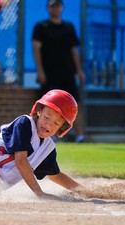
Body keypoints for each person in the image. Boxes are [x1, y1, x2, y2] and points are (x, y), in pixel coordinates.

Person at [32, 0, 86, 143]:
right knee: (48, 106)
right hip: (50, 74)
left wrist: (79, 70)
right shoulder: (41, 27)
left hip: (68, 73)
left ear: (61, 7)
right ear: (48, 8)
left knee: (76, 103)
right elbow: (36, 49)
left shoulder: (68, 27)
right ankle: (44, 136)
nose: (55, 8)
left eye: (57, 5)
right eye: (52, 5)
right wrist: (40, 71)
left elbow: (74, 51)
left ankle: (80, 135)